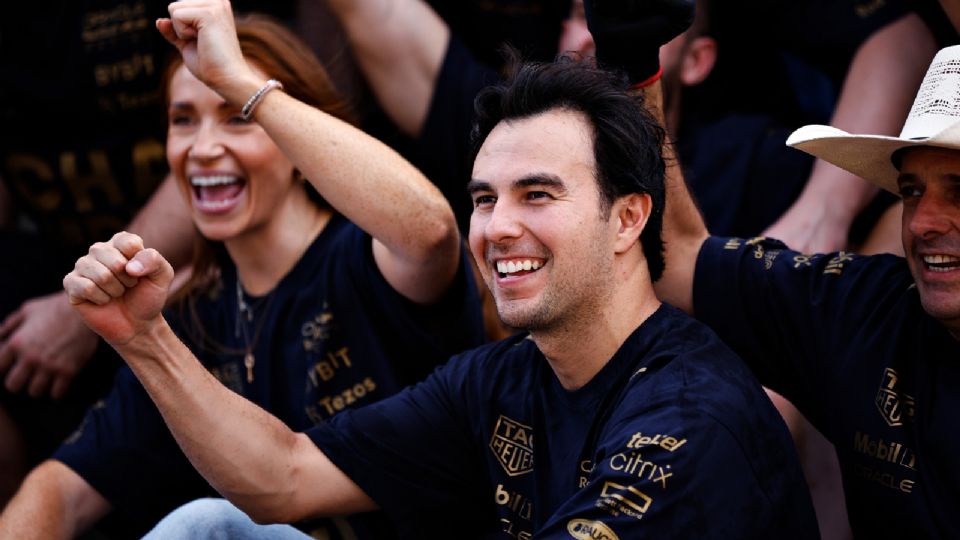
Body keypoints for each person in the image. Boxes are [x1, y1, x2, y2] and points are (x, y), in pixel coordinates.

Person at [54, 1, 819, 537]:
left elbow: (422, 231)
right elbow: (281, 478)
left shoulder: (692, 414)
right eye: (485, 198)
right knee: (208, 528)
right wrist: (142, 335)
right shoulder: (500, 379)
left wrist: (244, 84)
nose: (497, 227)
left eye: (539, 194)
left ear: (628, 218)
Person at [0, 9, 485, 539]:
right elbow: (61, 491)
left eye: (238, 116)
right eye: (183, 119)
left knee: (206, 526)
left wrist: (240, 78)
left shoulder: (367, 258)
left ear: (300, 146)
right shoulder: (183, 314)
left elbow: (432, 231)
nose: (203, 149)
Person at [655, 44, 960, 538]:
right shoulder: (866, 308)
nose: (922, 222)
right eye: (911, 191)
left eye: (959, 191)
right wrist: (635, 62)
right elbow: (676, 256)